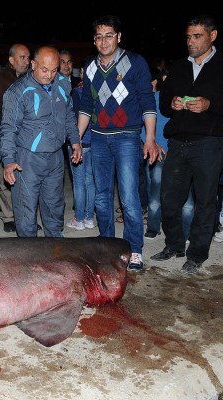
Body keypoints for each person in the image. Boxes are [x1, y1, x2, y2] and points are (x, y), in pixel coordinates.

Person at [151, 14, 223, 274]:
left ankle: (196, 254)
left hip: (208, 143)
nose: (191, 42)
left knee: (205, 202)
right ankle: (174, 245)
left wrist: (210, 105)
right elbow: (164, 104)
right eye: (188, 37)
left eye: (197, 36)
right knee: (169, 200)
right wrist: (170, 104)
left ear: (212, 36)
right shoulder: (180, 67)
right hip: (178, 142)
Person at [77, 15, 159, 271]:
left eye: (109, 35)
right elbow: (86, 106)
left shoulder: (135, 63)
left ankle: (133, 249)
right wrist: (77, 140)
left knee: (129, 197)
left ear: (119, 37)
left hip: (127, 137)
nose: (104, 41)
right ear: (94, 40)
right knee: (101, 198)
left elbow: (148, 103)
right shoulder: (90, 66)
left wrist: (151, 139)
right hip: (99, 139)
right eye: (99, 36)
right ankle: (108, 246)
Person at [1, 46, 82, 238]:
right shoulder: (17, 92)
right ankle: (30, 257)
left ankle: (55, 249)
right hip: (27, 159)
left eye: (54, 70)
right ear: (33, 64)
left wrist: (75, 141)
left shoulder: (62, 84)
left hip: (55, 157)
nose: (49, 75)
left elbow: (69, 115)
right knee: (26, 210)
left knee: (55, 204)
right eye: (44, 69)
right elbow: (8, 129)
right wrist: (8, 161)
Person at [142, 66, 195, 241]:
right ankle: (153, 227)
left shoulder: (188, 100)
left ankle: (186, 232)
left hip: (182, 153)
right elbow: (141, 128)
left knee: (187, 199)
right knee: (155, 194)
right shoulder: (153, 100)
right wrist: (154, 144)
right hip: (160, 155)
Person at [0, 43, 31, 233]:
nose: (27, 62)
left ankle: (26, 217)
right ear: (11, 60)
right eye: (22, 57)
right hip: (6, 137)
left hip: (28, 138)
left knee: (28, 179)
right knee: (6, 180)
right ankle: (9, 217)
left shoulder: (32, 79)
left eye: (28, 57)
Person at [65, 79, 95, 231]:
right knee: (89, 180)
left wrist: (74, 140)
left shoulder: (76, 93)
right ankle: (89, 218)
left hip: (79, 141)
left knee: (79, 182)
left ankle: (79, 219)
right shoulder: (97, 90)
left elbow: (73, 117)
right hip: (94, 141)